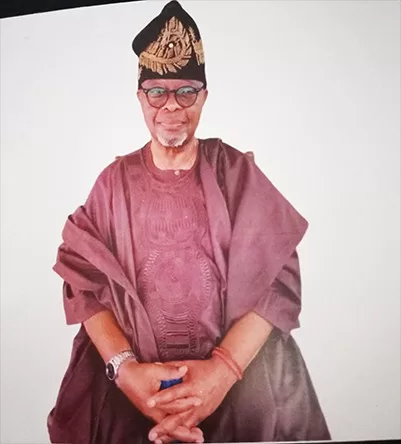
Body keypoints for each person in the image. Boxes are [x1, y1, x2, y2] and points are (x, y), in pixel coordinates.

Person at [47, 1, 331, 443]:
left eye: (186, 91)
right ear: (140, 97)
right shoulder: (113, 183)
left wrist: (221, 373)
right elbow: (82, 283)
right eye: (156, 92)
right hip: (130, 400)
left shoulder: (235, 173)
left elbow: (278, 281)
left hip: (239, 389)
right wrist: (127, 374)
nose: (171, 107)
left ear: (204, 95)